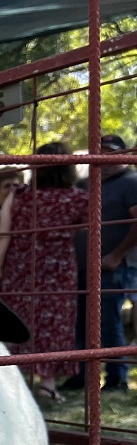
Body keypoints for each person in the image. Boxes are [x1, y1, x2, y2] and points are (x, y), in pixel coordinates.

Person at [0, 141, 89, 403]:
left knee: (17, 322)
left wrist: (0, 270)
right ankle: (48, 385)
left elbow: (3, 235)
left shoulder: (21, 195)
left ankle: (12, 386)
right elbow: (84, 229)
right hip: (59, 272)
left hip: (22, 267)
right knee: (55, 325)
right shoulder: (79, 198)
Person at [94, 135, 137, 392]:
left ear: (123, 156)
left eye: (110, 153)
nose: (105, 158)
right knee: (92, 321)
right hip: (93, 264)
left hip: (118, 264)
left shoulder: (130, 181)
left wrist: (117, 255)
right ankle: (84, 375)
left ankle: (117, 376)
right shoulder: (92, 182)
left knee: (110, 320)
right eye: (100, 152)